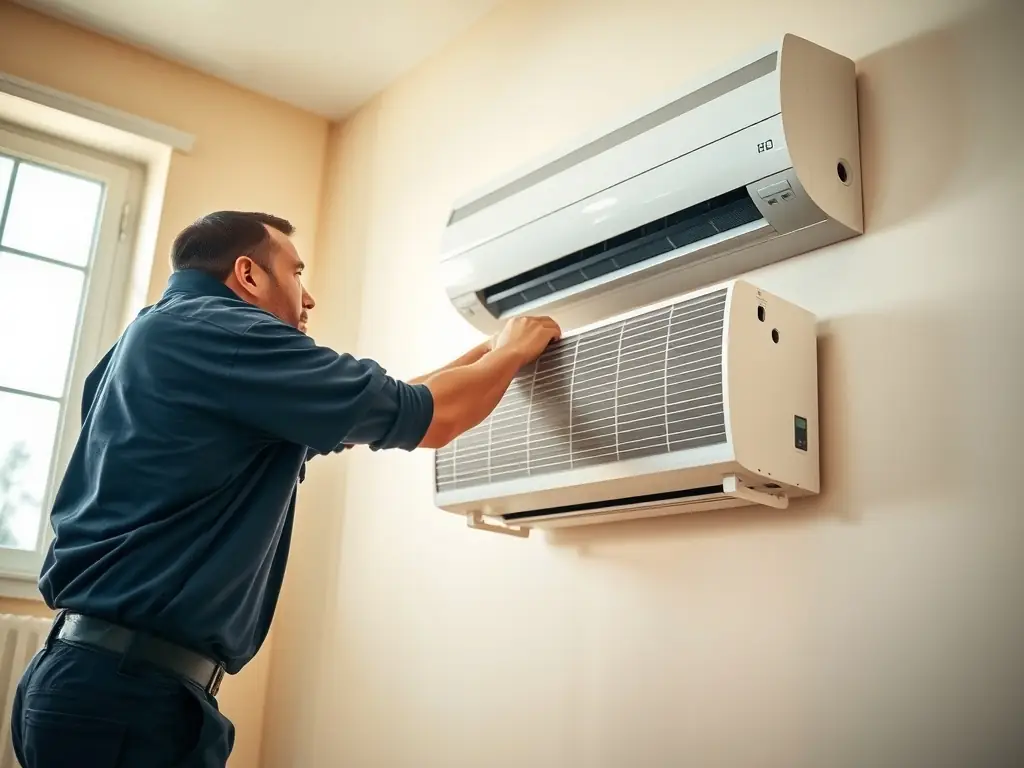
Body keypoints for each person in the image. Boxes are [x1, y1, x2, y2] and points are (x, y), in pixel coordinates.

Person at [10, 211, 561, 767]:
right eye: (297, 272)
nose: (309, 297)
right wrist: (516, 349)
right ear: (248, 275)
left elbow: (396, 401)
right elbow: (436, 419)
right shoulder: (225, 335)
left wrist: (494, 352)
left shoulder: (166, 336)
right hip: (124, 697)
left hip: (99, 681)